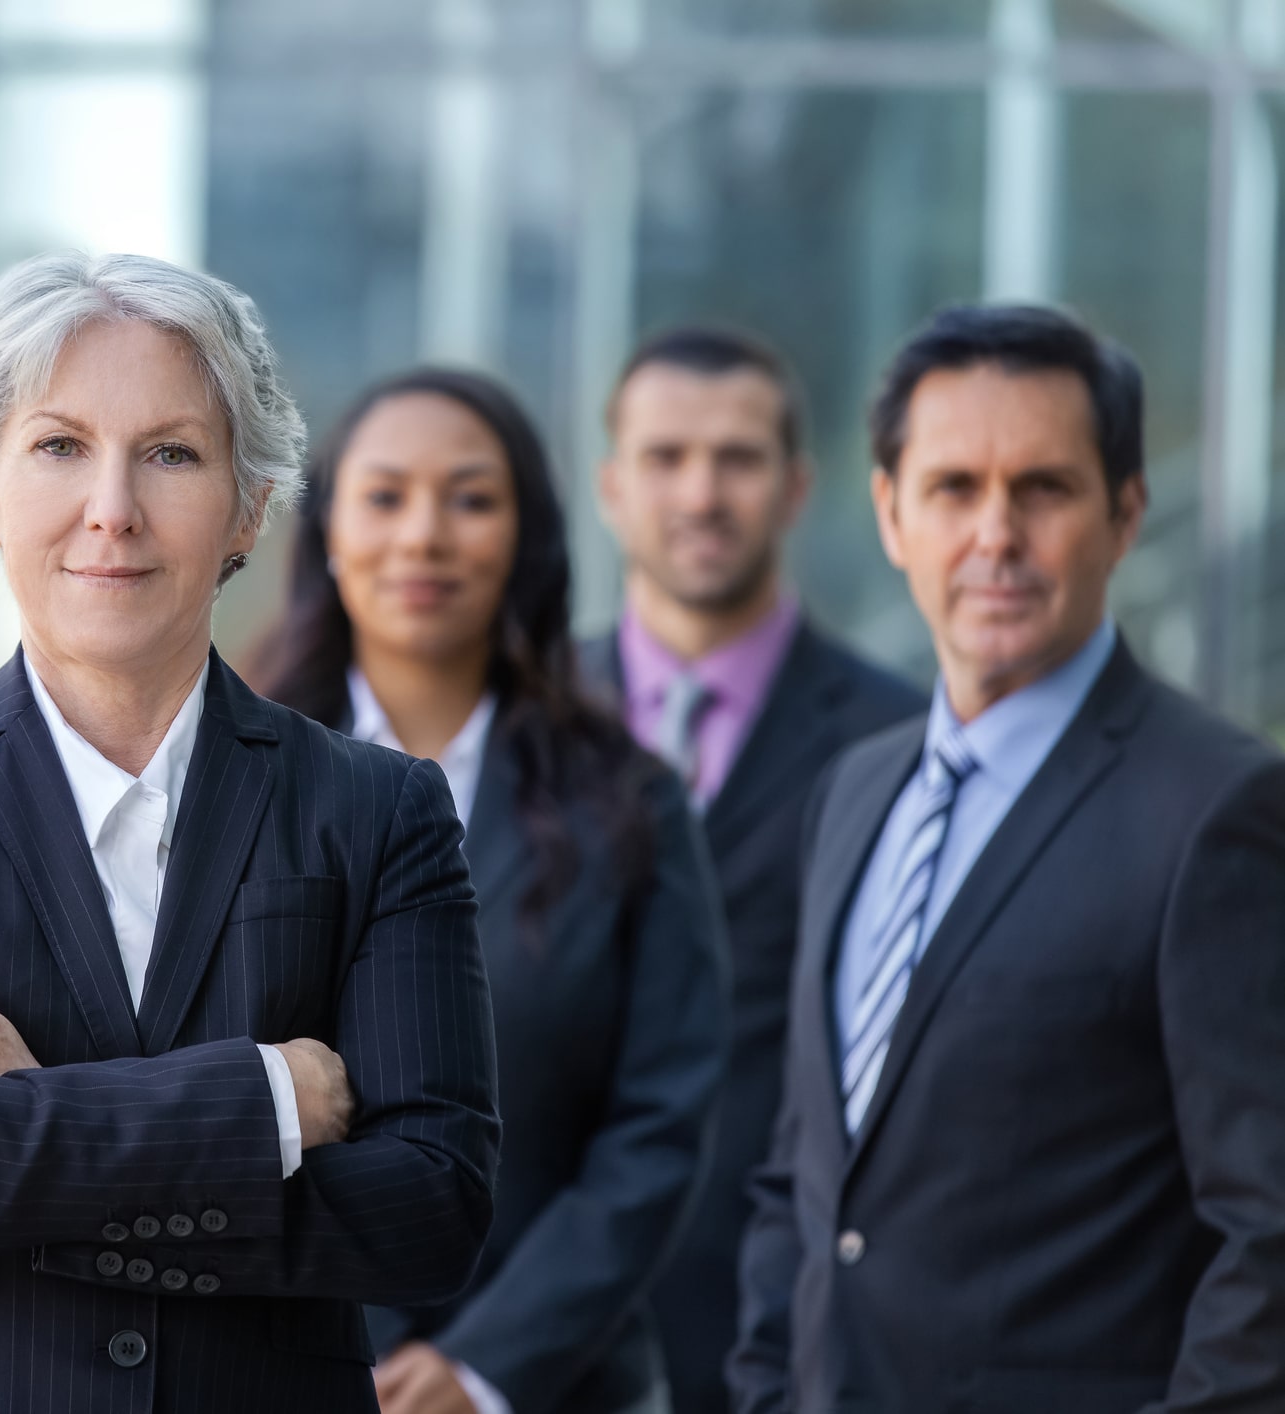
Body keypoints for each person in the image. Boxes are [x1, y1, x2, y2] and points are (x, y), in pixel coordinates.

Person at [0, 252, 500, 1413]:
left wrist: (23, 1097)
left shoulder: (380, 809)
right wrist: (257, 1103)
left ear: (250, 503)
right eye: (59, 446)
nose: (112, 507)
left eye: (171, 453)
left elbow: (431, 1208)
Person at [730, 305, 1285, 1413]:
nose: (996, 533)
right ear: (890, 512)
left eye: (1044, 487)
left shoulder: (1219, 808)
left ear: (1126, 513)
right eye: (953, 488)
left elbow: (1269, 1230)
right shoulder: (854, 791)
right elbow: (804, 1175)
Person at [255, 367, 731, 1414]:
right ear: (326, 527)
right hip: (277, 1361)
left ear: (525, 536)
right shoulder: (227, 778)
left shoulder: (631, 799)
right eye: (385, 496)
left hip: (557, 1381)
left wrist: (485, 1367)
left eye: (471, 498)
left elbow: (660, 1124)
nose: (423, 534)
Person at [580, 328, 922, 1414]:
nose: (701, 491)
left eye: (736, 458)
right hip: (532, 1329)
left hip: (785, 1323)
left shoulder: (904, 745)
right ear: (611, 486)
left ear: (796, 487)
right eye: (667, 456)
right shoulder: (516, 724)